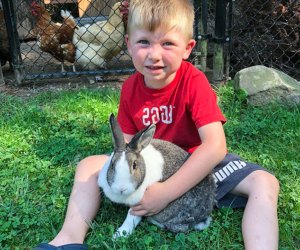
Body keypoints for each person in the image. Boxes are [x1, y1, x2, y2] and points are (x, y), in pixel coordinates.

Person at [35, 0, 279, 249]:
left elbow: (215, 146)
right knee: (88, 166)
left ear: (187, 48)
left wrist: (166, 192)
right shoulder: (130, 88)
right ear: (128, 44)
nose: (154, 54)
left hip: (196, 164)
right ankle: (67, 239)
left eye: (167, 43)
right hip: (148, 169)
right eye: (144, 42)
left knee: (264, 182)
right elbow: (127, 147)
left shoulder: (194, 82)